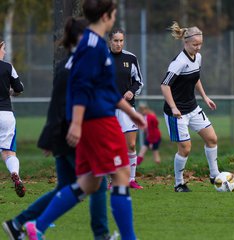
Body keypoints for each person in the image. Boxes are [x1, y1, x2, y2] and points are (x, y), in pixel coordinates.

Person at [23, 0, 146, 239]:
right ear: (105, 15)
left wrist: (130, 112)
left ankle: (36, 227)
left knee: (90, 182)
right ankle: (130, 237)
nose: (114, 17)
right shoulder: (92, 45)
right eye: (113, 13)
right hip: (99, 121)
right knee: (121, 176)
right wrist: (78, 123)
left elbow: (106, 88)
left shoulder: (94, 44)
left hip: (98, 119)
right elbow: (80, 85)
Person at [2, 17, 115, 240]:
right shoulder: (78, 67)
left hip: (61, 136)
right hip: (72, 136)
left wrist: (49, 138)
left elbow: (56, 104)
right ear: (81, 38)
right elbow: (65, 105)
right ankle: (101, 236)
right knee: (97, 182)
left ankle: (18, 224)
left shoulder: (65, 66)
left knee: (64, 188)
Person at [160, 21, 220, 192]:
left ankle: (214, 175)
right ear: (185, 43)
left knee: (212, 139)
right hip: (177, 112)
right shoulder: (178, 62)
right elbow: (164, 85)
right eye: (195, 44)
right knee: (185, 149)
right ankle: (178, 183)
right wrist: (173, 108)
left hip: (192, 108)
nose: (198, 48)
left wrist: (205, 97)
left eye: (200, 44)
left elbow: (195, 78)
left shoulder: (198, 57)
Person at [108, 29, 144, 189]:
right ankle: (113, 180)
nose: (119, 44)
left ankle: (131, 179)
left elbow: (139, 81)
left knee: (130, 145)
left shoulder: (130, 58)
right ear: (110, 41)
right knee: (112, 146)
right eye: (116, 40)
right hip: (108, 109)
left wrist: (131, 91)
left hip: (128, 109)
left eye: (121, 40)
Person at [0, 39, 26, 198]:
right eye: (3, 48)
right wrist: (9, 91)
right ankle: (15, 174)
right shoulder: (8, 67)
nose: (5, 51)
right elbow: (19, 88)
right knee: (9, 153)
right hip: (5, 115)